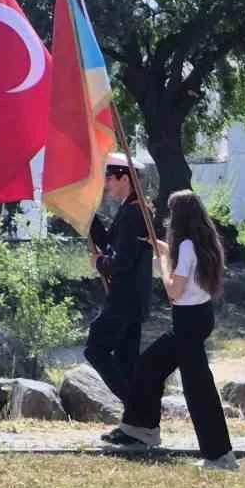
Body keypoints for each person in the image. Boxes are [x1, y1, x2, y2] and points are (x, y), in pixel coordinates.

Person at [100, 190, 238, 470]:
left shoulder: (187, 246)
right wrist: (160, 246)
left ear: (181, 218)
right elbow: (184, 266)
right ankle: (141, 429)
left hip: (187, 321)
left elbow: (174, 291)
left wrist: (162, 263)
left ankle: (220, 456)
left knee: (198, 390)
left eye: (172, 213)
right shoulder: (204, 242)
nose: (168, 219)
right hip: (198, 318)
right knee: (149, 366)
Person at [85, 153, 153, 404]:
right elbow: (108, 243)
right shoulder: (129, 209)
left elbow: (122, 262)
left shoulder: (136, 212)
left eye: (109, 179)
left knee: (96, 348)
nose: (107, 185)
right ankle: (136, 419)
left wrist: (100, 263)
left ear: (124, 178)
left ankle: (136, 409)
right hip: (129, 300)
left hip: (126, 299)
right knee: (126, 363)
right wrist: (89, 216)